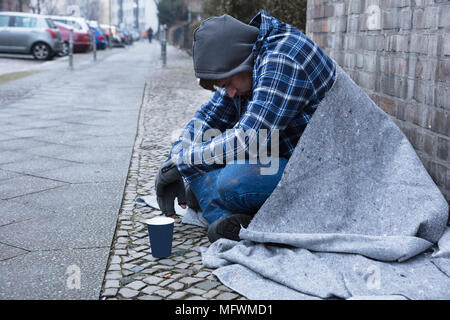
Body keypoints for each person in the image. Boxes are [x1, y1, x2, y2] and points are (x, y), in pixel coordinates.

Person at [155, 10, 336, 243]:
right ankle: (231, 220)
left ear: (242, 58)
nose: (228, 91)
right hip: (280, 160)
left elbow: (249, 141)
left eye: (228, 83)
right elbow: (207, 119)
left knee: (234, 180)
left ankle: (225, 213)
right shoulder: (244, 63)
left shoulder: (284, 58)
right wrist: (174, 158)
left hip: (321, 174)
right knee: (205, 159)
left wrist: (184, 164)